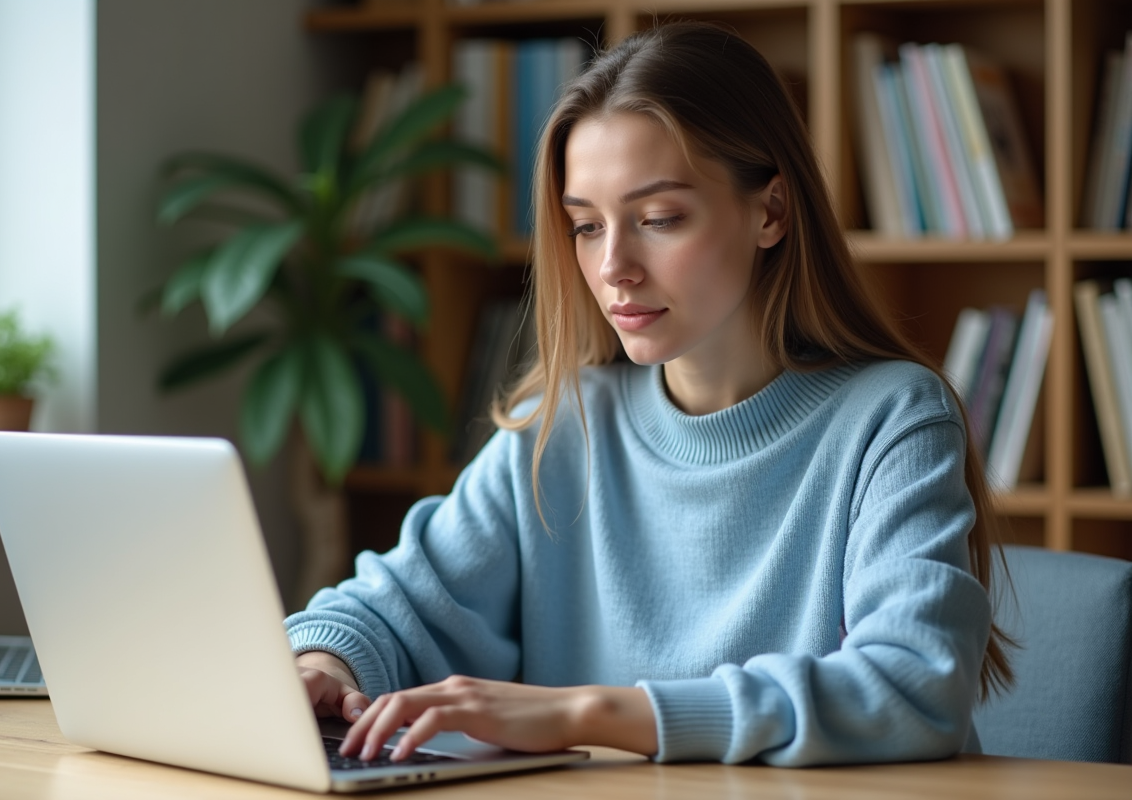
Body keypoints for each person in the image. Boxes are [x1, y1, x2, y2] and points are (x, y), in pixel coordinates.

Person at [287, 20, 1013, 767]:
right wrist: (324, 667)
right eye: (585, 226)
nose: (613, 268)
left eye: (659, 219)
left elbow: (913, 688)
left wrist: (585, 712)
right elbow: (391, 609)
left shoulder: (892, 418)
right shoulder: (562, 430)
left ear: (770, 212)